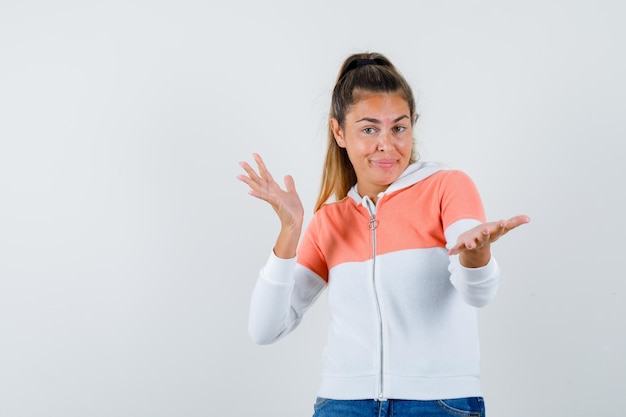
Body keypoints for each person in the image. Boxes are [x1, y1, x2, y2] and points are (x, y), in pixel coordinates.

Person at [238, 51, 530, 417]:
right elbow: (265, 329)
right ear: (339, 132)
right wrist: (291, 231)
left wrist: (476, 256)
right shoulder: (330, 220)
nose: (387, 145)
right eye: (369, 129)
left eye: (399, 127)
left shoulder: (447, 187)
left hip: (439, 404)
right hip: (342, 404)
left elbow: (478, 293)